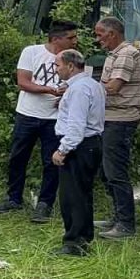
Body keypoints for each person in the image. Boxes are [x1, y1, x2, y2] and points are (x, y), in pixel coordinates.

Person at [0, 21, 78, 221]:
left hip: (55, 119)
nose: (75, 41)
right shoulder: (31, 52)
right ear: (57, 38)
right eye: (71, 37)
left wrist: (67, 94)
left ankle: (45, 204)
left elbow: (79, 84)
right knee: (18, 157)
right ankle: (13, 197)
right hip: (28, 114)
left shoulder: (74, 59)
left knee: (52, 161)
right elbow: (23, 82)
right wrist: (49, 90)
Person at [50, 48, 106, 257]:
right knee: (82, 193)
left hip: (79, 146)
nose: (56, 70)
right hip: (90, 144)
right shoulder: (93, 85)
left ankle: (74, 242)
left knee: (72, 196)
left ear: (70, 66)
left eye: (58, 65)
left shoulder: (79, 89)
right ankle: (83, 237)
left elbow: (76, 125)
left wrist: (62, 150)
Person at [95, 16, 140, 240]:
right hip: (111, 118)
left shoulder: (125, 54)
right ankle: (117, 217)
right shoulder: (114, 55)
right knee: (106, 172)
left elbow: (113, 87)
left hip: (121, 120)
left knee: (115, 172)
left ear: (112, 34)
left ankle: (125, 224)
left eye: (100, 35)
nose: (98, 40)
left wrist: (86, 86)